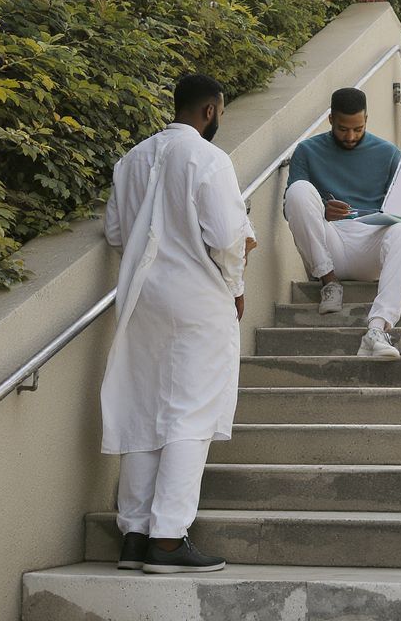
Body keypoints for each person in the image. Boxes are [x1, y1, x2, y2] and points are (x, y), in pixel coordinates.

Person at [100, 74, 256, 575]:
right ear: (210, 111)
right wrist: (235, 287)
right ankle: (169, 539)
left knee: (145, 411)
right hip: (197, 299)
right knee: (192, 413)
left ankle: (134, 536)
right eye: (222, 112)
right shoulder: (209, 159)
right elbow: (230, 236)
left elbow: (116, 232)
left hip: (143, 299)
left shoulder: (131, 161)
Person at [283, 87, 401, 359]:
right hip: (329, 244)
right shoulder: (307, 150)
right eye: (343, 129)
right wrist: (322, 211)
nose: (350, 136)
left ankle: (377, 329)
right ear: (330, 120)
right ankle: (329, 283)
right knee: (299, 190)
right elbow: (290, 208)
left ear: (367, 120)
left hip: (372, 243)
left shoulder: (387, 153)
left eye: (358, 129)